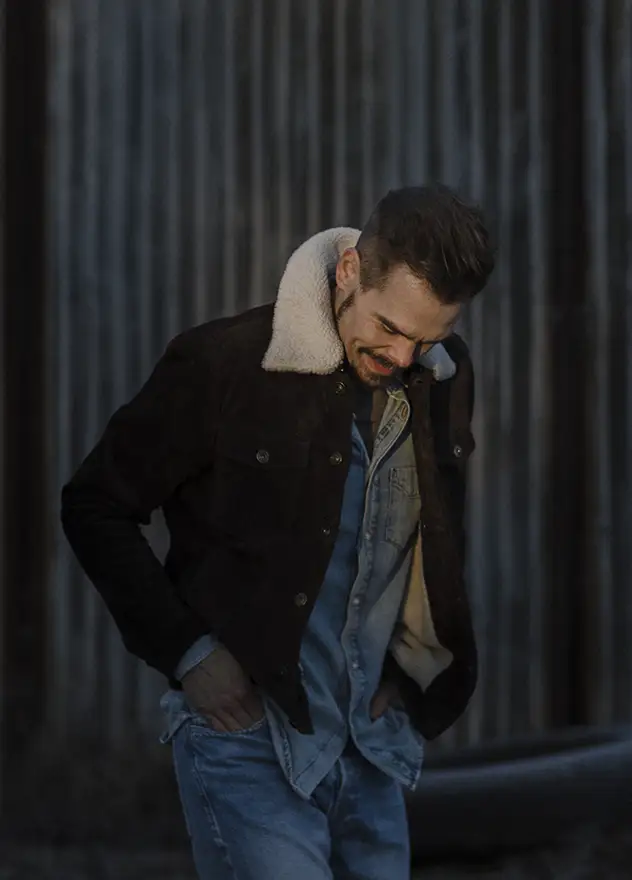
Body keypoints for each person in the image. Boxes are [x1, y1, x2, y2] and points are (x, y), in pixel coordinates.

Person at [61, 184, 494, 880]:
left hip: (370, 747)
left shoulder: (442, 375)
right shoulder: (223, 365)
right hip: (249, 740)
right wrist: (190, 654)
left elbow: (439, 530)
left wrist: (408, 669)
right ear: (349, 271)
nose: (403, 356)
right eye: (388, 327)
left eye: (427, 339)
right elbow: (93, 505)